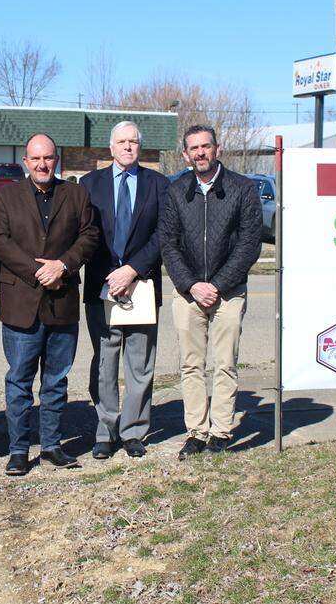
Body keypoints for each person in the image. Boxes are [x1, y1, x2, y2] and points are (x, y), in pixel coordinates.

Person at [0, 133, 98, 475]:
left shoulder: (76, 194)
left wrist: (62, 266)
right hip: (21, 301)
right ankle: (19, 450)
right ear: (26, 161)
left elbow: (89, 236)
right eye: (35, 158)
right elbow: (0, 242)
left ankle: (51, 446)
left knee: (55, 381)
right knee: (19, 382)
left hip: (62, 301)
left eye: (48, 158)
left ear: (56, 160)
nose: (42, 164)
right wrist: (39, 272)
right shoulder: (6, 196)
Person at [158, 124, 262, 460]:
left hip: (228, 293)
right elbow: (168, 243)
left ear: (217, 149)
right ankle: (196, 432)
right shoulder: (176, 192)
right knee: (191, 366)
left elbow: (249, 244)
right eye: (194, 148)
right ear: (185, 154)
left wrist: (217, 285)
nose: (200, 152)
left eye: (206, 146)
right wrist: (192, 285)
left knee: (225, 364)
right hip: (188, 293)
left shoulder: (242, 189)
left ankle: (220, 432)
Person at [79, 121, 169, 459]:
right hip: (101, 286)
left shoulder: (158, 184)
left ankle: (134, 431)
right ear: (111, 147)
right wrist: (112, 274)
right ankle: (105, 431)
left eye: (133, 141)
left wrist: (132, 270)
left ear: (139, 147)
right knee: (105, 362)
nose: (128, 146)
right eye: (122, 141)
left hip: (141, 284)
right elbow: (85, 233)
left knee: (140, 363)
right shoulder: (89, 184)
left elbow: (164, 234)